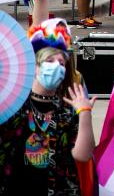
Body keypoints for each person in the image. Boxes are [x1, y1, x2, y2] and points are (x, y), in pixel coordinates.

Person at [0, 47, 95, 195]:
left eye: (61, 63)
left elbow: (83, 155)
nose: (56, 66)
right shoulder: (13, 104)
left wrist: (85, 113)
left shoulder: (66, 111)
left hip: (57, 190)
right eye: (49, 61)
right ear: (35, 68)